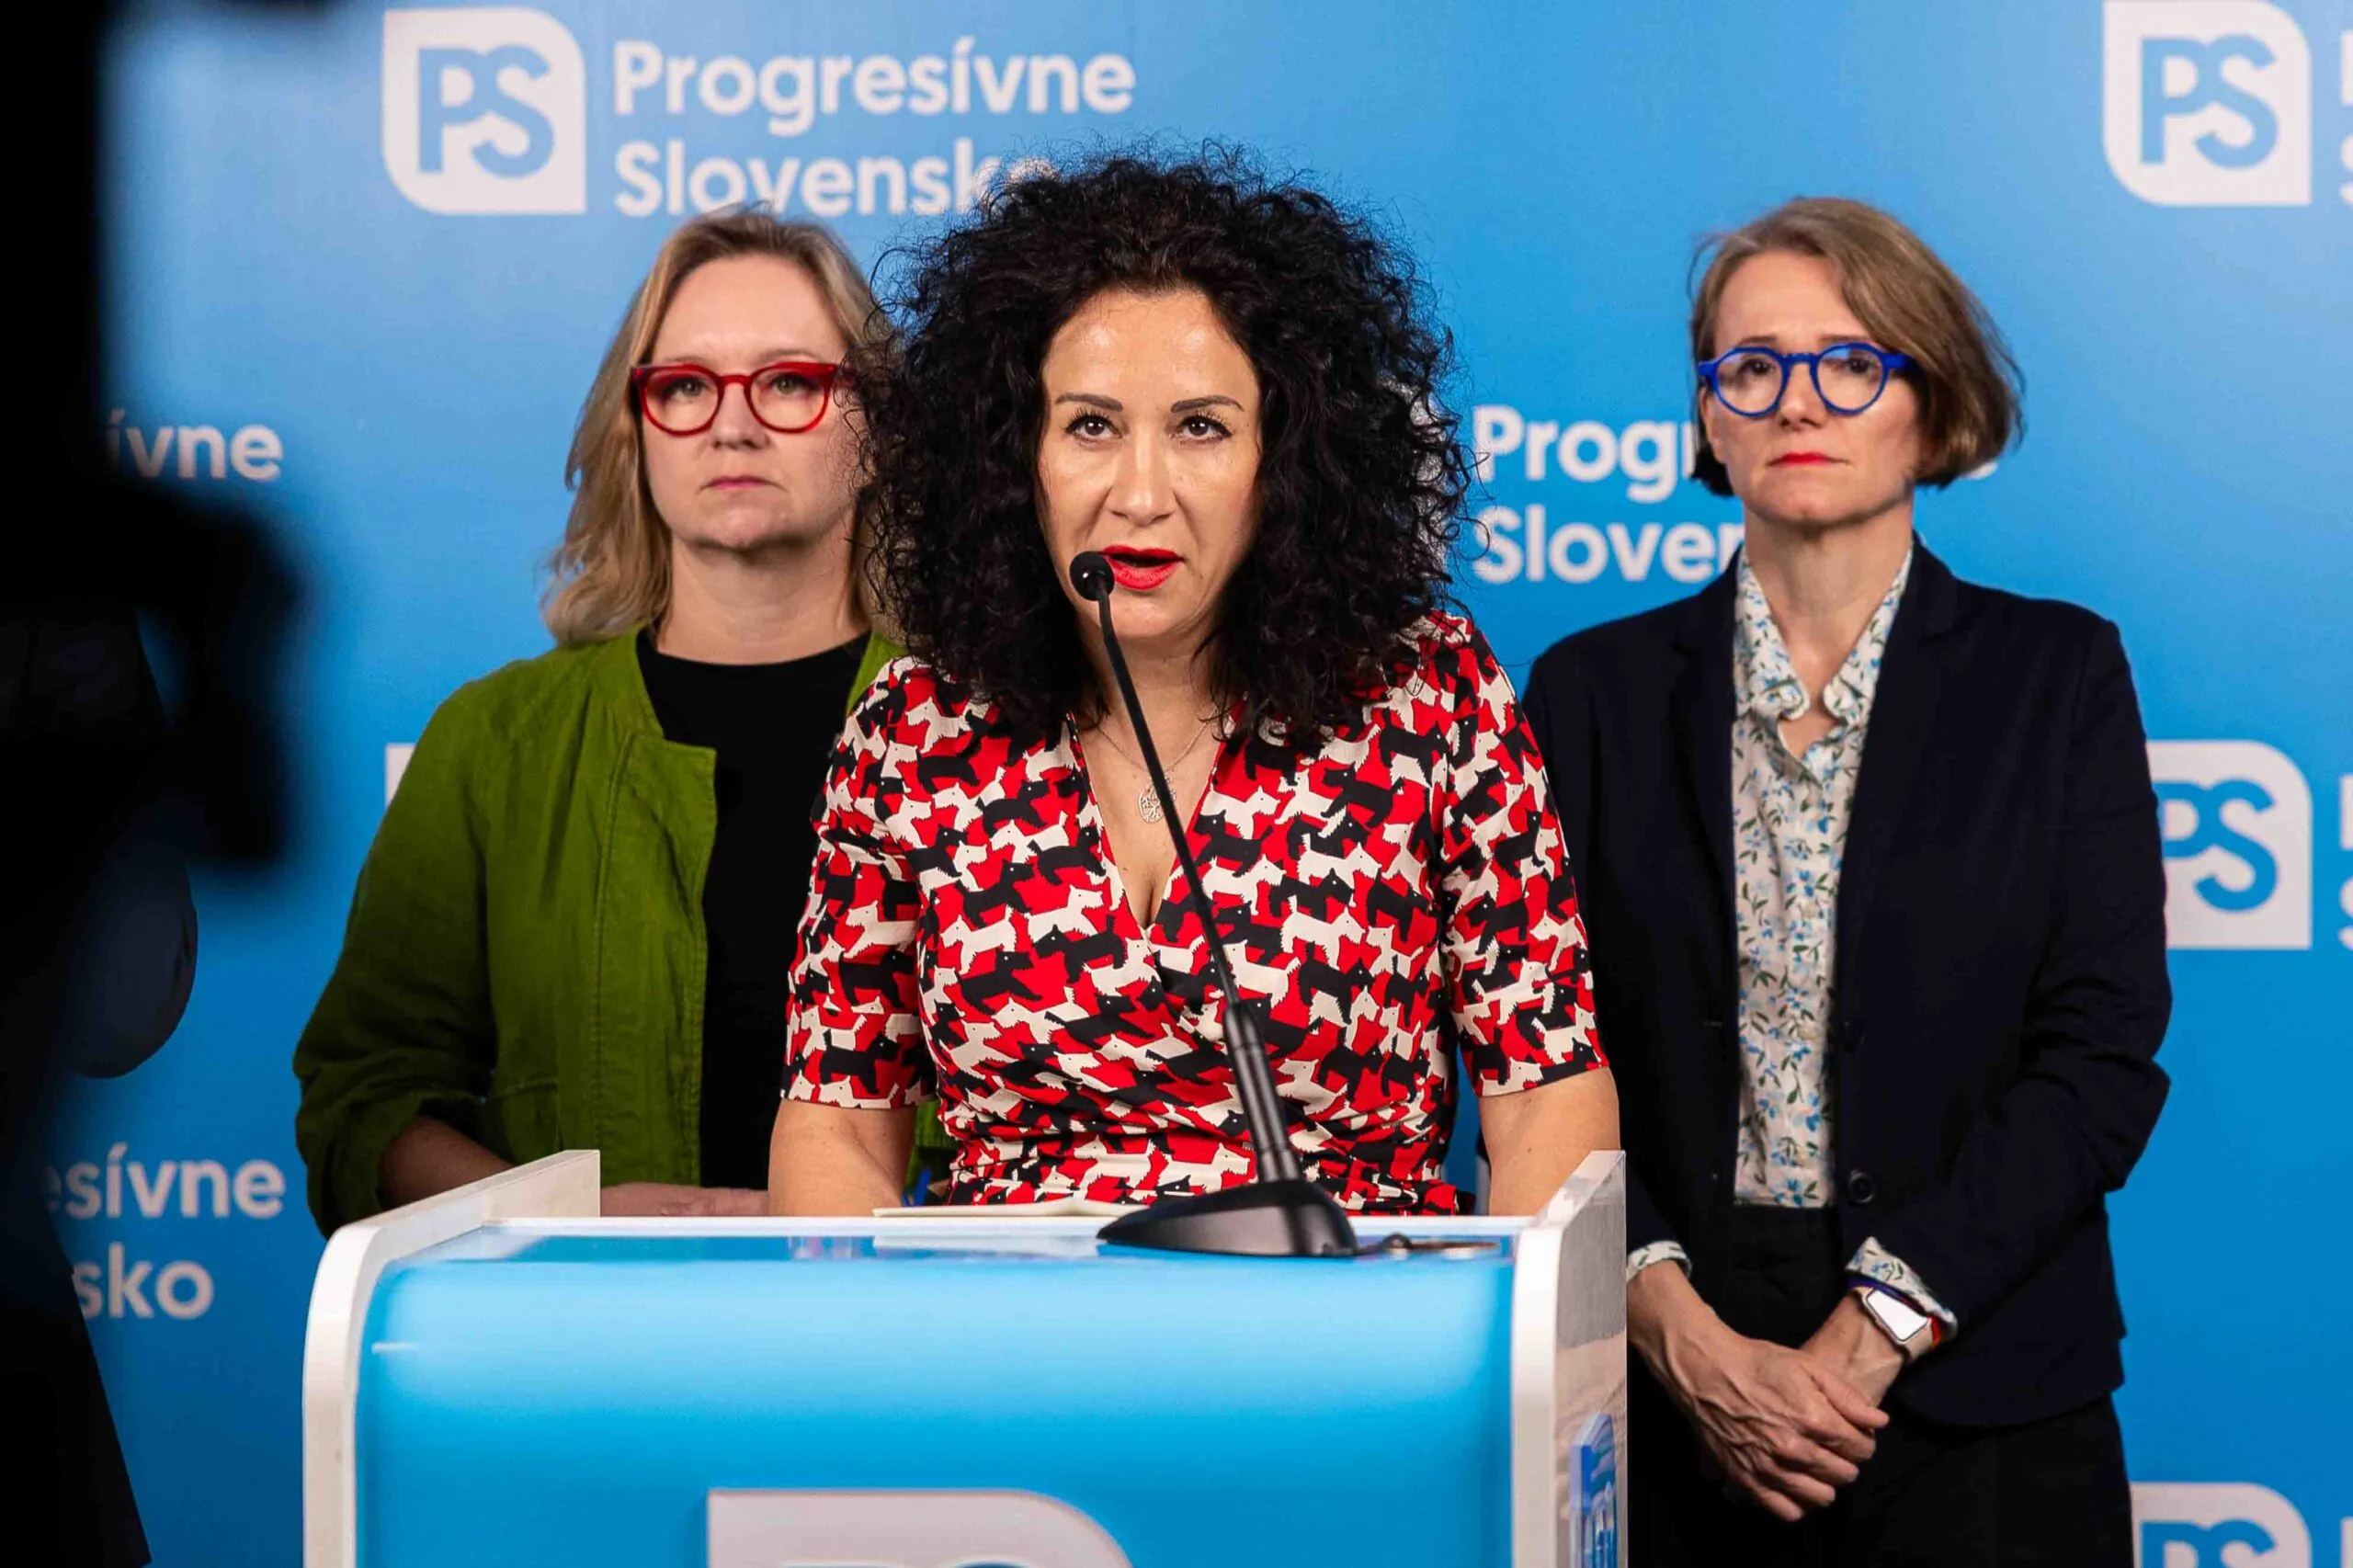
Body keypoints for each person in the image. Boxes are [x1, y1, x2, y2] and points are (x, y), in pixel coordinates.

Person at [768, 151, 1616, 1219]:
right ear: (1011, 456)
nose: (1140, 493)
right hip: (1001, 1311)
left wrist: (1521, 1316)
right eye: (1090, 425)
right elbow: (838, 1119)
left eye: (1200, 427)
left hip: (1339, 1307)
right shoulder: (913, 729)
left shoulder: (1428, 694)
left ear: (1287, 458)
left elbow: (1546, 1094)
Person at [1522, 198, 2170, 1563]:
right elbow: (1544, 1059)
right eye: (1753, 365)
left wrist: (1872, 1330)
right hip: (1669, 1379)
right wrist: (1680, 1335)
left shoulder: (2056, 677)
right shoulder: (1589, 695)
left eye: (1852, 361)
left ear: (1933, 408)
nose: (1797, 401)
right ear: (1709, 417)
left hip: (1983, 1372)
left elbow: (2101, 1057)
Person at [294, 212, 900, 1229]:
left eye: (790, 381)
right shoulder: (494, 742)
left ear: (879, 427)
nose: (732, 425)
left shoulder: (995, 732)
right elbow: (366, 1097)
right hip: (573, 1321)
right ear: (636, 428)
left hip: (917, 1324)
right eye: (686, 386)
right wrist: (573, 1217)